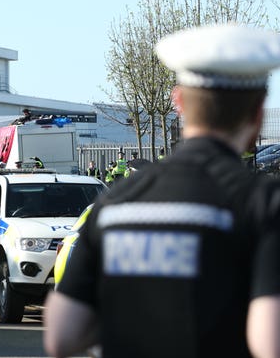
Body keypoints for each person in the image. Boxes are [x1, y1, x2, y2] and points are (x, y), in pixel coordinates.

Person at [43, 23, 280, 358]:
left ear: (179, 101)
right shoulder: (264, 204)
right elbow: (270, 342)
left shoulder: (116, 203)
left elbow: (62, 336)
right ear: (257, 114)